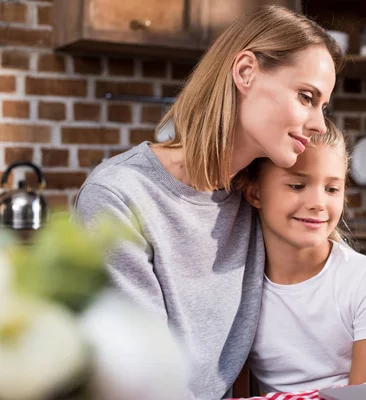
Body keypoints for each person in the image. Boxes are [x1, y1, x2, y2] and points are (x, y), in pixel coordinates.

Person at [73, 5, 343, 399]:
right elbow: (141, 383)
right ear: (246, 72)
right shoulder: (119, 196)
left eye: (323, 106)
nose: (319, 123)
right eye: (306, 97)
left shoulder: (256, 195)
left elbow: (337, 282)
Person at [242, 118, 366, 394]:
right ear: (255, 192)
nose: (318, 203)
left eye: (332, 189)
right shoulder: (238, 288)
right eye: (297, 186)